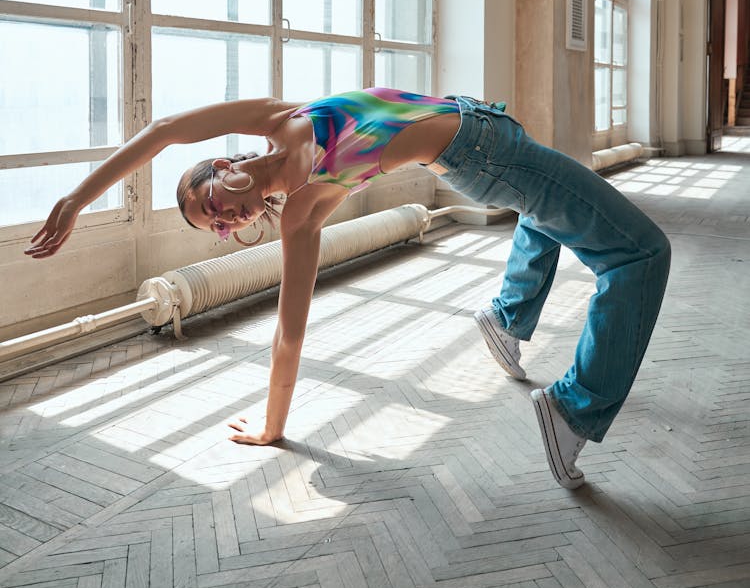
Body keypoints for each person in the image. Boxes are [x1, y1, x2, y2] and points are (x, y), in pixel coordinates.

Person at [26, 89, 670, 489]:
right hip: (487, 159)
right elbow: (290, 330)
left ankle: (507, 320)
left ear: (222, 167)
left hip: (483, 123)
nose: (224, 221)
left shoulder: (281, 118)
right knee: (640, 254)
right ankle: (574, 410)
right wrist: (274, 425)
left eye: (211, 204)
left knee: (547, 212)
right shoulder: (304, 213)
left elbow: (167, 129)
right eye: (216, 227)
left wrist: (78, 198)